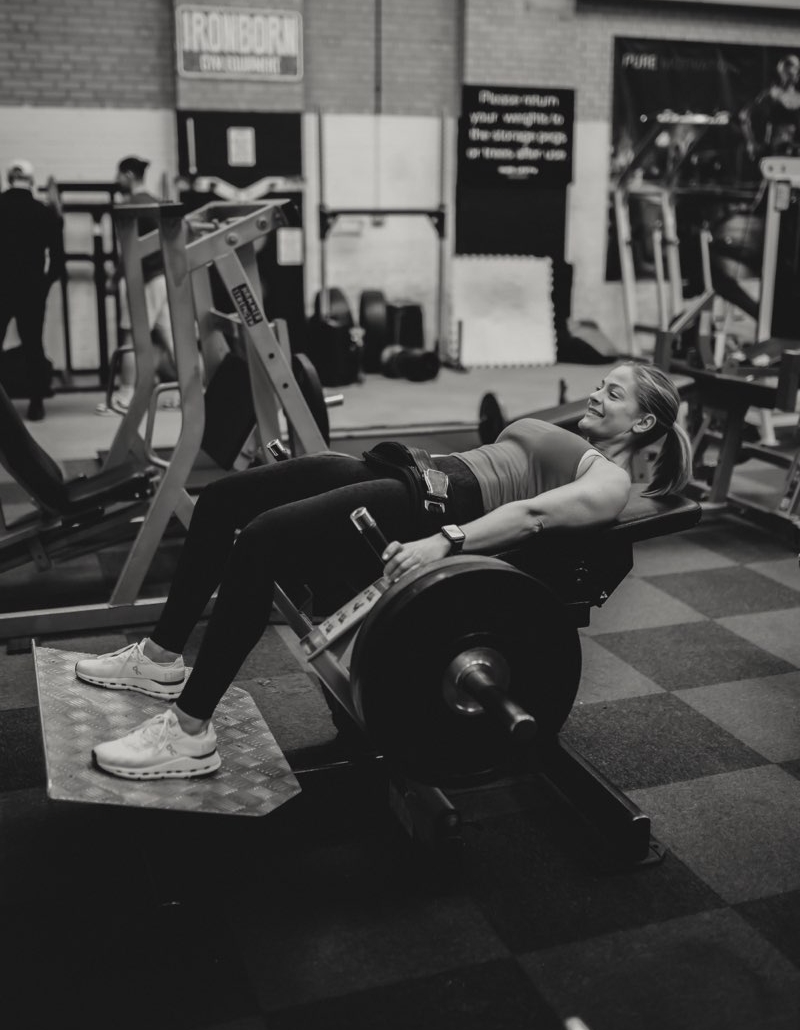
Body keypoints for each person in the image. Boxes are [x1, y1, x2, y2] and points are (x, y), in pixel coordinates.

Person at [77, 362, 692, 781]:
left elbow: (531, 517)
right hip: (410, 473)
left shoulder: (608, 481)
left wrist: (444, 543)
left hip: (437, 507)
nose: (596, 395)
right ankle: (160, 659)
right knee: (221, 501)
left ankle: (189, 731)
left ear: (643, 423)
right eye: (601, 384)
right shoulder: (573, 439)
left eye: (614, 394)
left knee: (261, 541)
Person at [100, 156, 177, 414]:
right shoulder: (157, 202)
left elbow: (130, 251)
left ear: (129, 175)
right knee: (173, 338)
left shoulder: (130, 206)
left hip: (144, 280)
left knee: (130, 338)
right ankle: (191, 391)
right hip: (163, 279)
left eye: (119, 175)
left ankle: (125, 395)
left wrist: (114, 278)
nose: (116, 180)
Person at [0, 159, 64, 421]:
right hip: (31, 289)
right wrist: (43, 285)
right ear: (32, 181)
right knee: (33, 345)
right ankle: (36, 403)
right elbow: (58, 261)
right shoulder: (44, 212)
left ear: (8, 179)